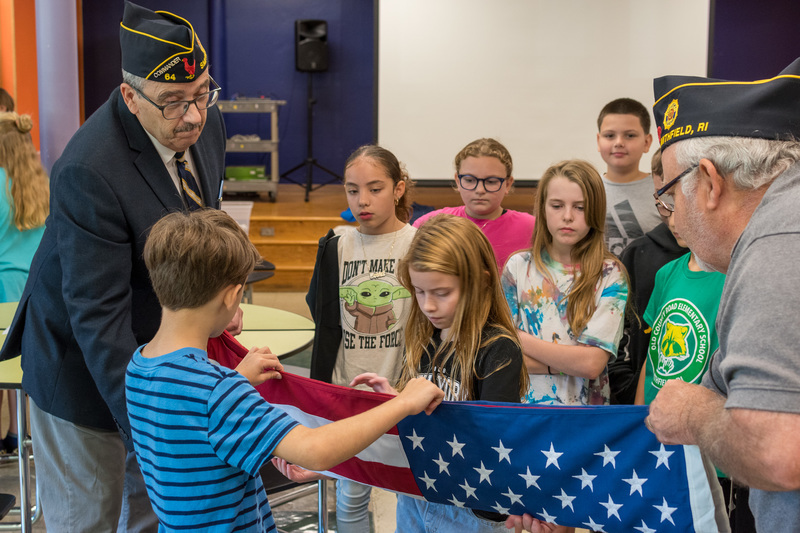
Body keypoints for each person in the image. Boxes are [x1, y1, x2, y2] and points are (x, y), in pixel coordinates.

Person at [0, 3, 228, 530]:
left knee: (156, 510)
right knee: (90, 516)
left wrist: (217, 298)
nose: (193, 116)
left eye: (201, 94)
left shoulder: (203, 122)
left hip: (161, 351)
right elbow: (97, 319)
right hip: (82, 371)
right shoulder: (88, 167)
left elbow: (202, 218)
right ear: (131, 95)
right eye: (173, 102)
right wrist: (152, 429)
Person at [127, 208, 444, 531]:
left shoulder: (139, 365)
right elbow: (314, 451)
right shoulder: (218, 391)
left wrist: (237, 379)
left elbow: (191, 421)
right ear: (233, 296)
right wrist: (402, 403)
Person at [645, 58, 800, 532]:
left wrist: (691, 413)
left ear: (711, 183)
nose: (671, 216)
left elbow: (777, 454)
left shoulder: (776, 242)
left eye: (670, 196)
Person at [347, 214, 527, 532]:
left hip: (469, 509)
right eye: (419, 292)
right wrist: (396, 400)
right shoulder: (425, 336)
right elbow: (423, 413)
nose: (428, 306)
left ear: (482, 282)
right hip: (418, 494)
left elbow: (495, 441)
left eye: (441, 293)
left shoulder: (498, 350)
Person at [306, 144, 416, 532]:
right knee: (350, 499)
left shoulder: (415, 243)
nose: (362, 201)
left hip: (401, 394)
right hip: (346, 391)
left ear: (398, 189)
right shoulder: (336, 244)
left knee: (413, 496)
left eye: (375, 188)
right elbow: (321, 312)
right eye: (353, 190)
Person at [503, 160, 629, 409]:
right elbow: (503, 356)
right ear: (542, 208)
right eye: (557, 206)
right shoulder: (517, 268)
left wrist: (518, 337)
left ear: (595, 210)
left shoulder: (610, 274)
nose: (568, 216)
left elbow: (591, 365)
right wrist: (567, 362)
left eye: (580, 207)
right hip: (524, 413)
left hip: (584, 420)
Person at [607, 147, 688, 404]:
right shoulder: (638, 254)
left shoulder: (720, 260)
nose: (674, 218)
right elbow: (622, 330)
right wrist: (629, 388)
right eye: (664, 202)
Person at [0, 112, 48, 453]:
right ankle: (21, 433)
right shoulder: (39, 182)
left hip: (1, 285)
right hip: (31, 286)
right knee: (21, 370)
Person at [412, 138, 536, 271]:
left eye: (491, 181)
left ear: (508, 184)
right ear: (458, 181)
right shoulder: (430, 225)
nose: (480, 190)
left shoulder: (532, 228)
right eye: (470, 180)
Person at [596, 98, 662, 256]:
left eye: (630, 135)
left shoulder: (663, 192)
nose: (619, 142)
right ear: (598, 141)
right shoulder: (586, 189)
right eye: (610, 135)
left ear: (647, 142)